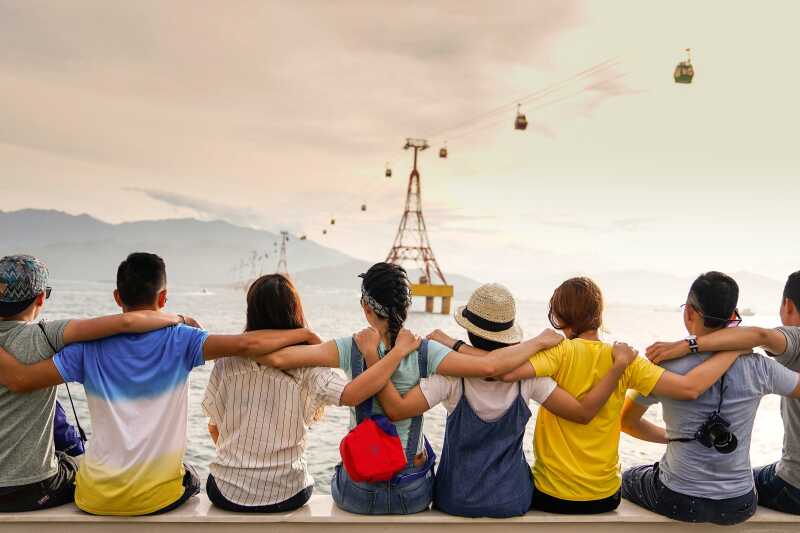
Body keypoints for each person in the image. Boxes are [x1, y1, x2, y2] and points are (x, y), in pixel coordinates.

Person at [0, 252, 321, 516]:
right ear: (164, 297)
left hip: (94, 497)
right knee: (191, 476)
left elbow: (24, 379)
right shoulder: (182, 340)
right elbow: (247, 345)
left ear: (116, 296)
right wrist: (304, 335)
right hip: (159, 499)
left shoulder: (85, 348)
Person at [255, 263, 567, 515]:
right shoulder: (427, 351)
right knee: (424, 451)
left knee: (343, 466)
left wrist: (303, 334)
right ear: (408, 306)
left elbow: (278, 358)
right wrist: (538, 342)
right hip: (412, 494)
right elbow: (490, 367)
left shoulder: (350, 347)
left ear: (366, 308)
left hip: (359, 494)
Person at [357, 283, 639, 518]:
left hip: (456, 499)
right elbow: (581, 412)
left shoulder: (452, 377)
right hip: (512, 500)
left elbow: (395, 409)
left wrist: (373, 356)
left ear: (468, 331)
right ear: (508, 334)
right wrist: (616, 368)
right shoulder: (529, 377)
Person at [498, 276, 747, 514]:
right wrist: (733, 349)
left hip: (552, 495)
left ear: (560, 317)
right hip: (605, 498)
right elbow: (687, 388)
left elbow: (503, 370)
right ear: (598, 314)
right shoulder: (626, 359)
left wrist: (537, 343)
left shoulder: (558, 353)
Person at [202, 274, 422, 513]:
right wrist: (396, 353)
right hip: (287, 492)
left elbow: (214, 428)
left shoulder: (226, 363)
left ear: (251, 312)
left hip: (226, 492)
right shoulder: (308, 366)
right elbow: (351, 394)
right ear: (294, 311)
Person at [0, 254, 188, 513]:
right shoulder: (46, 336)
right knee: (78, 464)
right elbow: (125, 323)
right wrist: (178, 319)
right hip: (29, 490)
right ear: (41, 297)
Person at [621, 271, 800, 525]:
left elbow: (626, 421)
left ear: (689, 313)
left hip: (678, 498)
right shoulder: (761, 367)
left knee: (630, 476)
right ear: (733, 317)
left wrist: (673, 438)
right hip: (739, 503)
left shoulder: (663, 366)